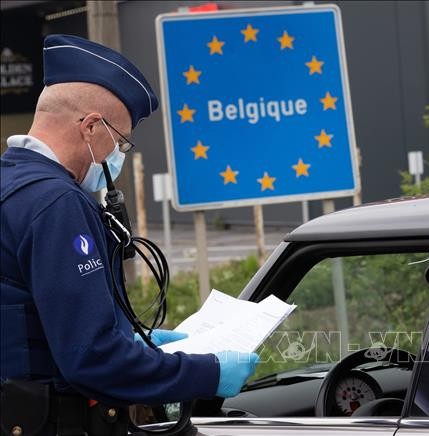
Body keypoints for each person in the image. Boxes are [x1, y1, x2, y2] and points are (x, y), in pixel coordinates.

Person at [0, 35, 257, 433]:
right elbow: (94, 360)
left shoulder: (11, 185)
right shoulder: (55, 204)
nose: (118, 155)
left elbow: (33, 314)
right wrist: (208, 372)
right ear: (90, 127)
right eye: (119, 140)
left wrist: (129, 336)